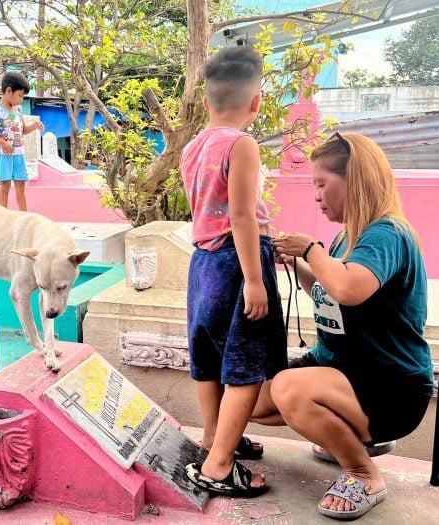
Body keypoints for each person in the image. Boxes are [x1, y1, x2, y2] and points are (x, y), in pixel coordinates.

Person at [252, 132, 433, 520]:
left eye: (322, 183)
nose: (316, 195)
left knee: (288, 390)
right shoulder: (343, 238)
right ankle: (348, 440)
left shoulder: (387, 233)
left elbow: (349, 288)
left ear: (356, 180)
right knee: (247, 396)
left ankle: (362, 472)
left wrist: (310, 250)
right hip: (339, 370)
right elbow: (326, 289)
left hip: (388, 385)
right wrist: (284, 255)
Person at [179, 46, 288, 497]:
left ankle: (213, 438)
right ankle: (219, 467)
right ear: (256, 101)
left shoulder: (192, 145)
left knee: (208, 356)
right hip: (237, 262)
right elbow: (241, 216)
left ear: (206, 102)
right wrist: (257, 280)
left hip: (202, 261)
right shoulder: (241, 145)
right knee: (245, 364)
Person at [0, 72, 43, 211]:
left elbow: (23, 131)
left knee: (20, 186)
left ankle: (24, 215)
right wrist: (2, 143)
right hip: (4, 155)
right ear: (9, 91)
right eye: (20, 95)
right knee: (5, 186)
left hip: (19, 154)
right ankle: (3, 216)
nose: (21, 99)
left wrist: (34, 126)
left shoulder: (18, 110)